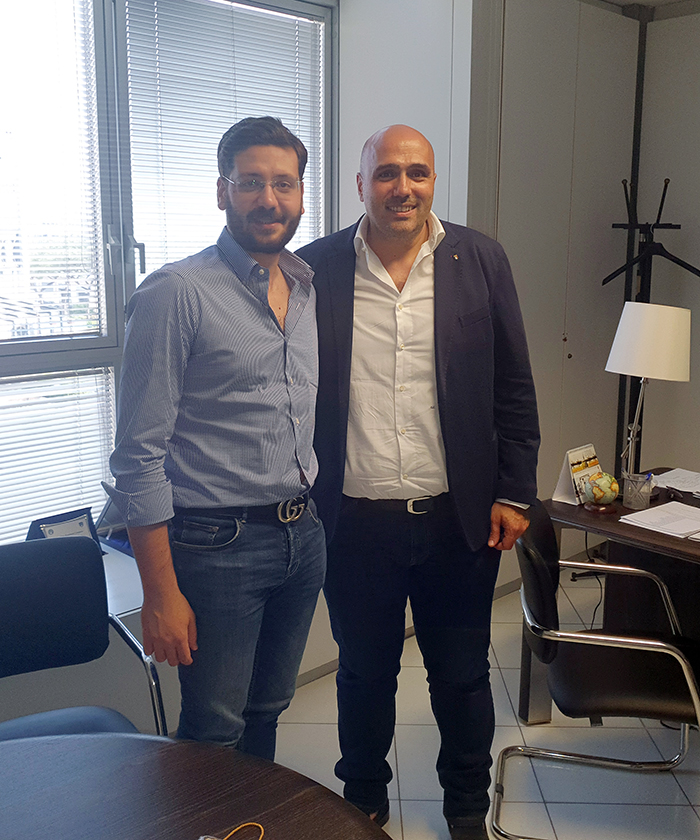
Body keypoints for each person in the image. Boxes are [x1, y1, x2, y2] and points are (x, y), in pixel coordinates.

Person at [297, 124, 539, 840]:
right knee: (363, 674)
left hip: (456, 520)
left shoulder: (480, 259)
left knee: (461, 675)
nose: (403, 188)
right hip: (354, 522)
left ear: (433, 180)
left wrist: (514, 490)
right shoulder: (315, 268)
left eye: (418, 173)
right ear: (360, 184)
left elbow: (513, 384)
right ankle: (364, 799)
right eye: (387, 174)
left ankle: (465, 805)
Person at [105, 116, 326, 761]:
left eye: (284, 183)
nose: (269, 199)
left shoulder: (306, 287)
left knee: (268, 708)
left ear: (301, 194)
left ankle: (252, 814)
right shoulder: (177, 293)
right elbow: (138, 459)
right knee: (213, 728)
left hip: (302, 535)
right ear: (222, 191)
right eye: (251, 182)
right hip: (216, 546)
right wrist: (159, 593)